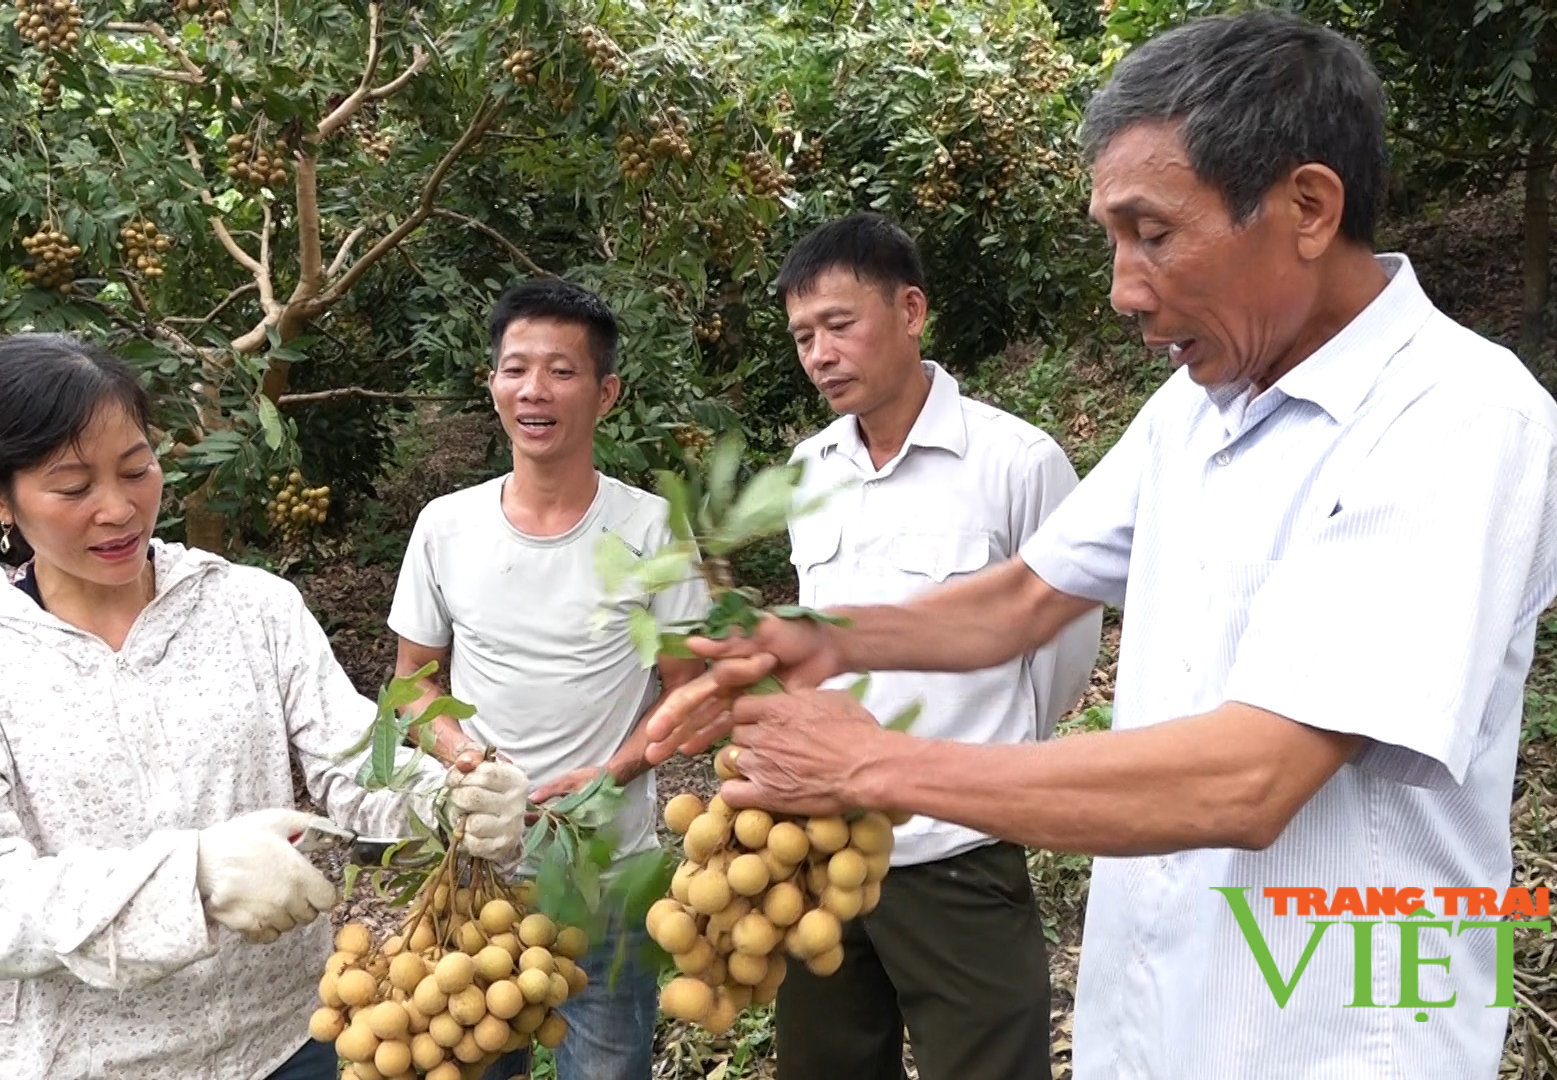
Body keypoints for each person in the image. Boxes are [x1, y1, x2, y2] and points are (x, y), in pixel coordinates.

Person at [642, 12, 1557, 1080]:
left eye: (1153, 233)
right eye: (1113, 239)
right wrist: (827, 639)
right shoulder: (1197, 408)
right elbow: (1029, 594)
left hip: (1333, 1037)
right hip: (1157, 1013)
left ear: (1308, 206)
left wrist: (877, 761)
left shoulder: (1458, 417)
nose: (1123, 287)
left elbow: (1252, 781)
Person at [0, 334, 529, 1080]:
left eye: (136, 468)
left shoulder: (252, 606)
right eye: (72, 487)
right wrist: (194, 875)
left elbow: (355, 755)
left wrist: (449, 797)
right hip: (88, 1065)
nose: (118, 510)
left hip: (297, 1042)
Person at [769, 212, 1101, 1080]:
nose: (820, 354)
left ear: (911, 310)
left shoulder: (1015, 462)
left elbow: (1061, 651)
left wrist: (988, 767)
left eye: (840, 325)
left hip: (957, 852)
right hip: (822, 853)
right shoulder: (807, 470)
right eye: (804, 335)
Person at [386, 278, 710, 1080]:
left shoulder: (650, 528)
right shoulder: (446, 526)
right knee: (469, 1061)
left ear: (605, 394)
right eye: (515, 368)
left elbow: (691, 692)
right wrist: (467, 762)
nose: (534, 390)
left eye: (561, 371)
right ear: (492, 383)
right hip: (475, 871)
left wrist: (613, 771)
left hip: (605, 875)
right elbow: (411, 688)